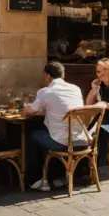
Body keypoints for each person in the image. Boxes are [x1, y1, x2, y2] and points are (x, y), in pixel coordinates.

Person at [23, 62, 88, 190]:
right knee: (51, 133)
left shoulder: (45, 91)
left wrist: (23, 109)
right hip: (81, 140)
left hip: (63, 143)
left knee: (34, 136)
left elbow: (29, 112)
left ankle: (36, 179)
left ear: (47, 76)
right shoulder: (76, 89)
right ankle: (58, 176)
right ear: (63, 74)